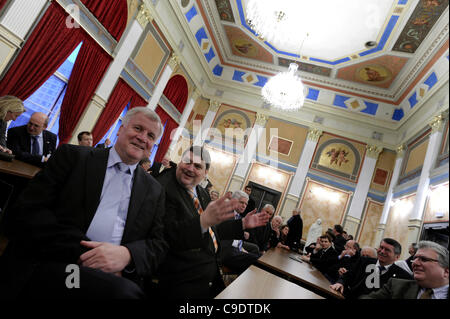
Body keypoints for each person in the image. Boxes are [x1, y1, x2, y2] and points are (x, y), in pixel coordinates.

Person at [0, 107, 168, 299]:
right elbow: (27, 212)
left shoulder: (154, 190)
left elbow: (158, 244)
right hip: (60, 263)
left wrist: (127, 256)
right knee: (123, 295)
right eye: (138, 128)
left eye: (151, 136)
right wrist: (91, 255)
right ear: (120, 129)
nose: (143, 138)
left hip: (116, 273)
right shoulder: (72, 157)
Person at [155, 146, 270, 298]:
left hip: (209, 272)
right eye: (187, 162)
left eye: (197, 166)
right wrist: (202, 222)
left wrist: (242, 224)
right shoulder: (163, 188)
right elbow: (168, 237)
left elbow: (213, 229)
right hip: (180, 278)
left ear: (205, 173)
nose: (190, 168)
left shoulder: (201, 192)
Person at [361, 241, 449, 299]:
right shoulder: (396, 286)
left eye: (424, 259)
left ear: (446, 271)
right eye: (415, 258)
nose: (415, 263)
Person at [330, 238, 412, 299]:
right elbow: (348, 274)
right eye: (381, 247)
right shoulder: (364, 261)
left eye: (387, 250)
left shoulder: (402, 276)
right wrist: (340, 283)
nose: (382, 251)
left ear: (397, 257)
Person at [220, 190, 261, 274]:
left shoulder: (238, 216)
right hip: (225, 251)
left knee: (258, 256)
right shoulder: (226, 212)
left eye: (246, 204)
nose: (244, 206)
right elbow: (224, 233)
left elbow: (236, 239)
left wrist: (241, 248)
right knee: (257, 260)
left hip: (234, 250)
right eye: (242, 202)